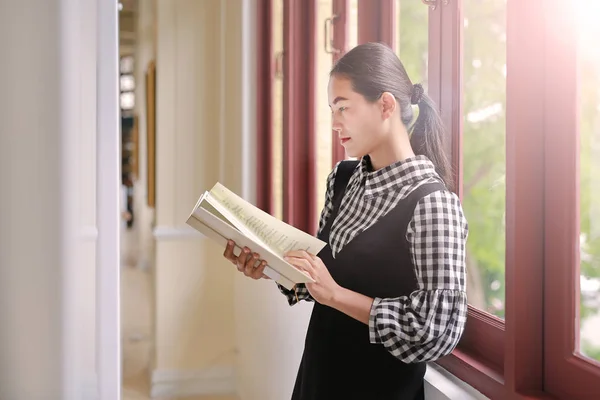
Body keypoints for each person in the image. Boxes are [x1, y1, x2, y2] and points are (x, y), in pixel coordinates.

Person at [223, 42, 468, 400]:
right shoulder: (343, 178)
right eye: (332, 110)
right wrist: (270, 266)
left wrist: (336, 296)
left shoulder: (432, 204)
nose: (335, 124)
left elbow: (435, 329)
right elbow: (319, 279)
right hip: (318, 377)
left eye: (343, 108)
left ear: (386, 105)